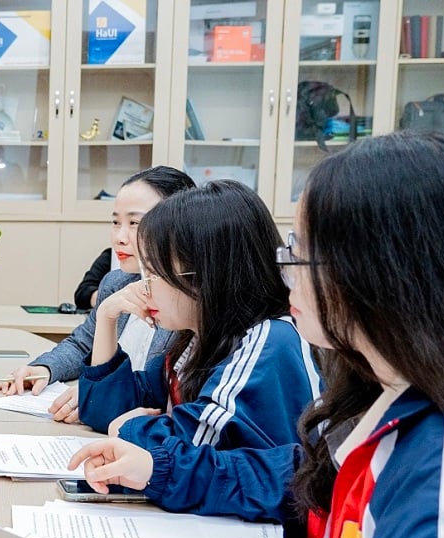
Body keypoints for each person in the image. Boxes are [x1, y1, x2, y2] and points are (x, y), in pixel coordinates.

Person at [46, 132, 444, 538]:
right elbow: (295, 473)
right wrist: (159, 466)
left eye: (302, 252)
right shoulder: (379, 395)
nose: (285, 272)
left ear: (385, 270)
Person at [73, 180, 320, 459]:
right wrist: (106, 315)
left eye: (155, 274)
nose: (145, 288)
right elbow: (104, 409)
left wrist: (128, 427)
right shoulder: (194, 338)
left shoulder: (270, 339)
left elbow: (190, 451)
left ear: (207, 277)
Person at [0, 167, 194, 423]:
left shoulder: (186, 302)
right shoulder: (117, 282)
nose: (119, 237)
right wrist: (44, 369)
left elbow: (164, 395)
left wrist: (98, 395)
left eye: (134, 223)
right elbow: (83, 343)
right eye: (115, 222)